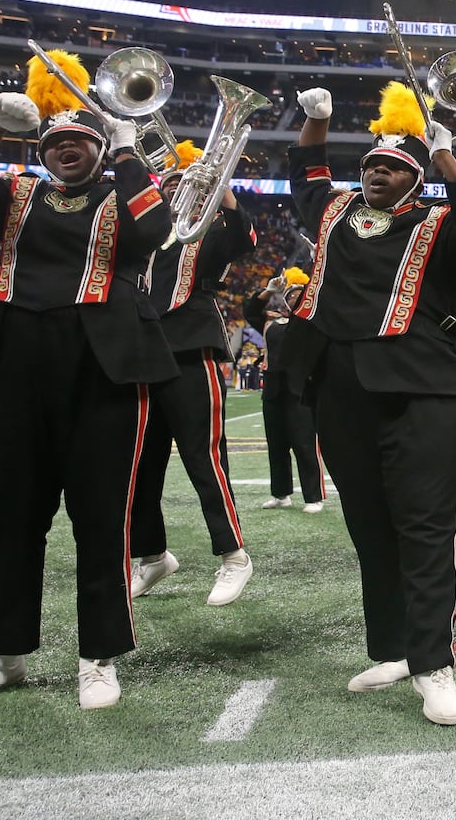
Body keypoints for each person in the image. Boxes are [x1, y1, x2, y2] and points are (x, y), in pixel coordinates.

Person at [0, 49, 177, 711]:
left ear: (100, 147)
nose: (66, 149)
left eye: (80, 140)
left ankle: (98, 657)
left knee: (102, 517)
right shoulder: (17, 194)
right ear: (41, 148)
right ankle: (3, 654)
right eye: (55, 141)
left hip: (105, 366)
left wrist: (130, 149)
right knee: (11, 518)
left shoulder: (122, 189)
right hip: (18, 361)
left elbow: (156, 227)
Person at [284, 81, 456, 725]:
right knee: (370, 526)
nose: (378, 172)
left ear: (413, 177)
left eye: (392, 166)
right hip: (338, 384)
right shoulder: (335, 212)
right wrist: (316, 120)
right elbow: (306, 175)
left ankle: (435, 663)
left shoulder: (440, 224)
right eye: (372, 164)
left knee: (428, 529)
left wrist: (445, 159)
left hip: (425, 386)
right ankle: (397, 650)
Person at [129, 140, 258, 607]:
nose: (176, 191)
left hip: (188, 348)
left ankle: (233, 556)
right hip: (139, 353)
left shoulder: (206, 235)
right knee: (139, 465)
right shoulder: (137, 236)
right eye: (169, 185)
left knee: (204, 459)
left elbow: (244, 237)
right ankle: (152, 555)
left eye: (186, 186)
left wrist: (218, 185)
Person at [243, 270, 325, 512]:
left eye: (299, 295)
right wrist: (269, 291)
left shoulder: (311, 320)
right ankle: (281, 494)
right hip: (273, 389)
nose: (294, 299)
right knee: (276, 445)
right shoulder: (272, 320)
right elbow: (250, 312)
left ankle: (313, 497)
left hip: (300, 390)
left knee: (304, 444)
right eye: (290, 295)